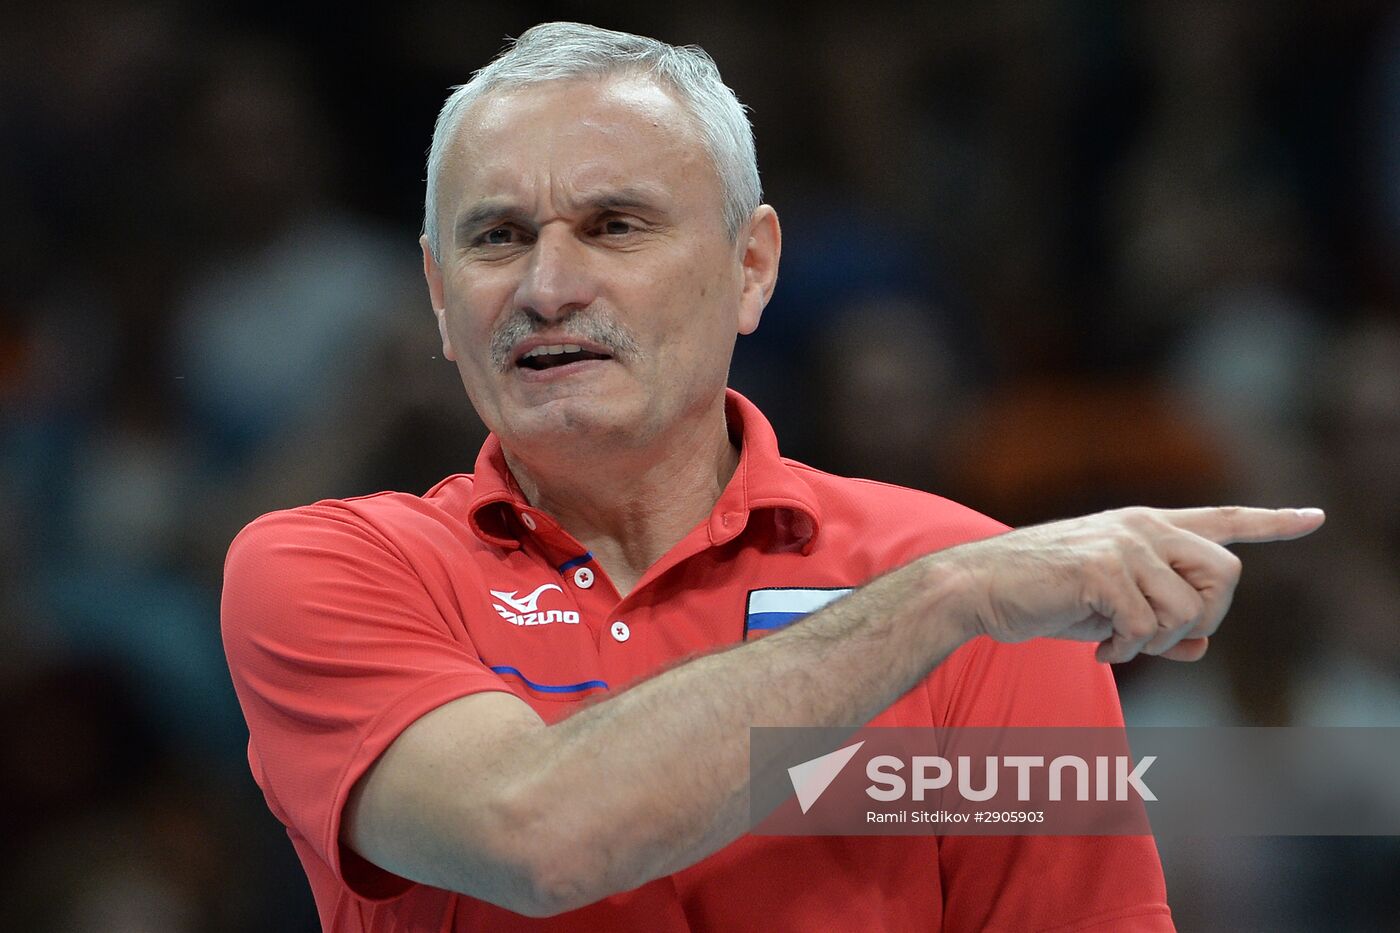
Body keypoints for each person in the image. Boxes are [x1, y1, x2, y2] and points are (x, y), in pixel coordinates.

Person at [220, 22, 1324, 932]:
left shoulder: (981, 592)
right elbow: (537, 835)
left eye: (614, 225)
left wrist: (955, 590)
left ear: (751, 267)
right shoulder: (327, 570)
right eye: (498, 238)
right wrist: (939, 601)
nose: (547, 286)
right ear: (437, 295)